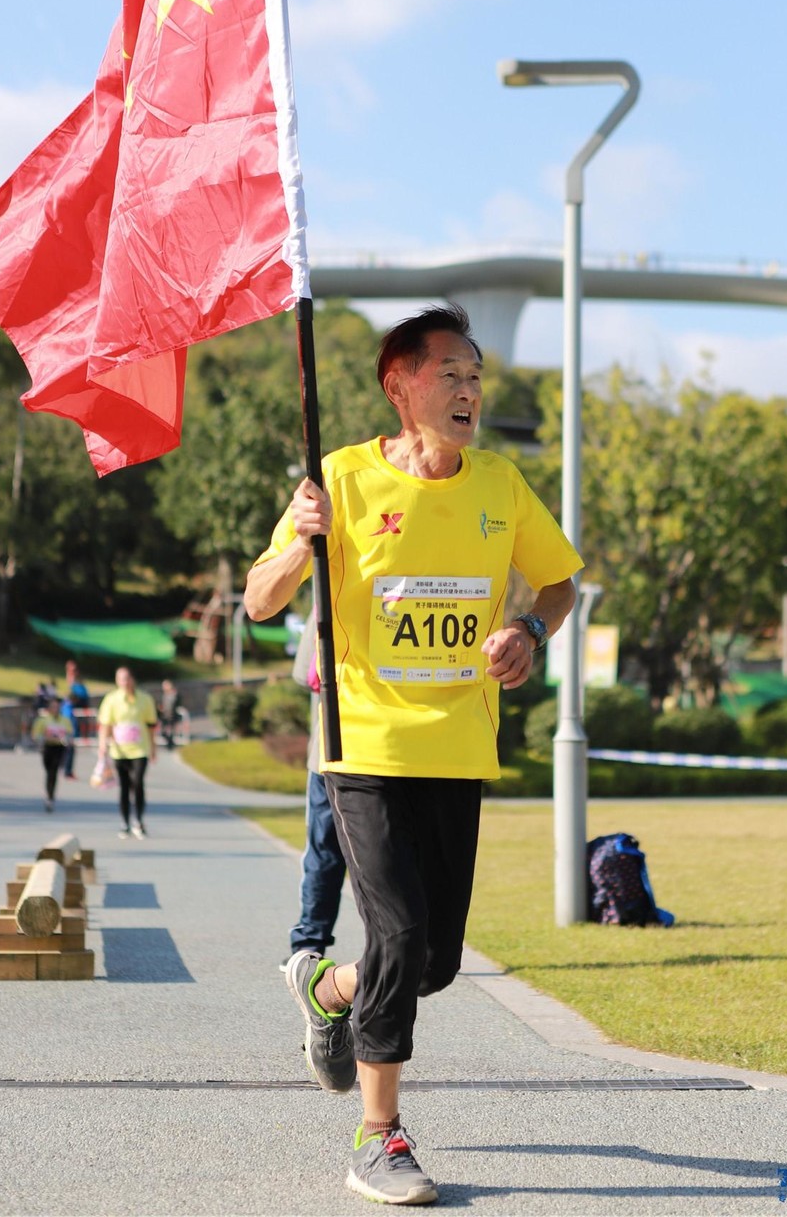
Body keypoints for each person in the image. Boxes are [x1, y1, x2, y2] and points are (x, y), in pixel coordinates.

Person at [245, 303, 581, 1207]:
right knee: (398, 932)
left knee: (432, 962)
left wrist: (526, 630)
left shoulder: (500, 485)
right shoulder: (342, 478)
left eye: (476, 377)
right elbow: (258, 598)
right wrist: (299, 542)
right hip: (362, 746)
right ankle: (377, 1136)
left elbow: (560, 581)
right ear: (401, 385)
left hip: (458, 746)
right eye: (451, 374)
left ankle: (328, 993)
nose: (469, 390)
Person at [283, 610, 346, 971]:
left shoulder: (327, 596)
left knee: (323, 852)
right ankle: (394, 945)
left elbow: (303, 673)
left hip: (329, 751)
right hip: (393, 755)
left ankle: (309, 945)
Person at [96, 667, 158, 840]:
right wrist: (102, 745)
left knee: (137, 783)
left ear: (132, 680)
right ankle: (125, 823)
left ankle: (138, 820)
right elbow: (105, 725)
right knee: (124, 786)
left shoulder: (145, 699)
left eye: (126, 678)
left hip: (140, 749)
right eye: (120, 679)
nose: (123, 682)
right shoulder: (112, 699)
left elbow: (151, 726)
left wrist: (153, 748)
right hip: (119, 750)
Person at [31, 695, 73, 812]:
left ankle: (50, 797)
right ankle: (48, 793)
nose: (55, 709)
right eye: (53, 707)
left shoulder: (65, 720)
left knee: (53, 772)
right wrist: (44, 737)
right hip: (47, 747)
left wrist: (65, 738)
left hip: (59, 748)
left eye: (57, 706)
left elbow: (70, 734)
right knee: (49, 771)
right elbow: (36, 735)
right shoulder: (43, 720)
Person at [60, 659, 90, 779]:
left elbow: (83, 700)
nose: (71, 672)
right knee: (65, 745)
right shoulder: (67, 686)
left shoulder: (78, 686)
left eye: (74, 670)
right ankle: (64, 768)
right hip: (64, 719)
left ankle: (67, 770)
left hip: (71, 720)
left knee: (69, 745)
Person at [158, 679, 182, 751]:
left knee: (171, 732)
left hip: (172, 716)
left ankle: (170, 745)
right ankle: (170, 743)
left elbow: (175, 704)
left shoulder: (174, 694)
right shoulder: (164, 695)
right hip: (165, 716)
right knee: (163, 732)